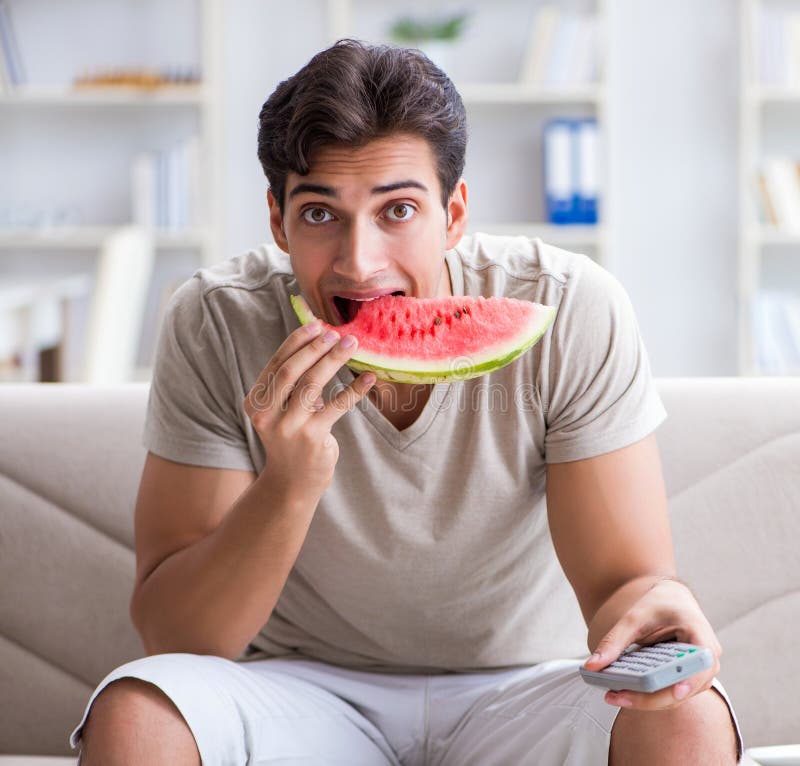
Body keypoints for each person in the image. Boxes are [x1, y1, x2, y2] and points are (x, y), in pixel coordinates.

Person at [71, 39, 743, 765]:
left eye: (397, 210)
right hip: (300, 691)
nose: (360, 262)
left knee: (689, 720)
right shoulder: (215, 320)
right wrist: (289, 484)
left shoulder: (567, 308)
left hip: (525, 689)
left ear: (454, 213)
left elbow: (623, 588)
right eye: (321, 214)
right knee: (137, 715)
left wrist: (656, 616)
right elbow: (180, 638)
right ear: (277, 220)